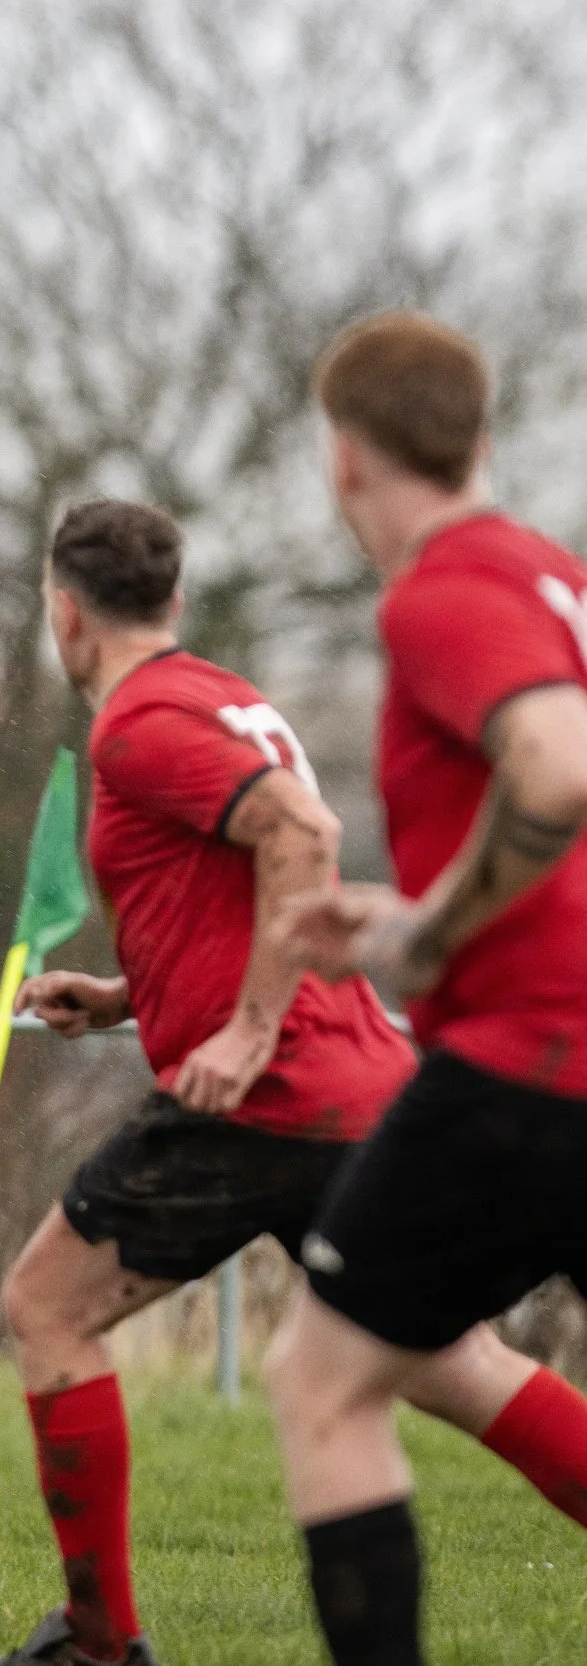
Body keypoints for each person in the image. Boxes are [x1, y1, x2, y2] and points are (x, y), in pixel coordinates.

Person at [0, 500, 587, 1666]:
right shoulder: (216, 695)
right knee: (453, 1361)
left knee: (46, 1306)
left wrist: (247, 1035)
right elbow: (231, 894)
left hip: (270, 1098)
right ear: (175, 602)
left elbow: (301, 835)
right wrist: (122, 997)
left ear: (64, 611)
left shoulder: (138, 722)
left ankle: (99, 1648)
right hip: (356, 1081)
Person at [264, 312, 587, 1666]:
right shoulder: (549, 572)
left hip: (530, 1071)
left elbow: (560, 773)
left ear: (345, 458)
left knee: (322, 1382)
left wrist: (436, 932)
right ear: (479, 438)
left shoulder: (441, 590)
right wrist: (410, 923)